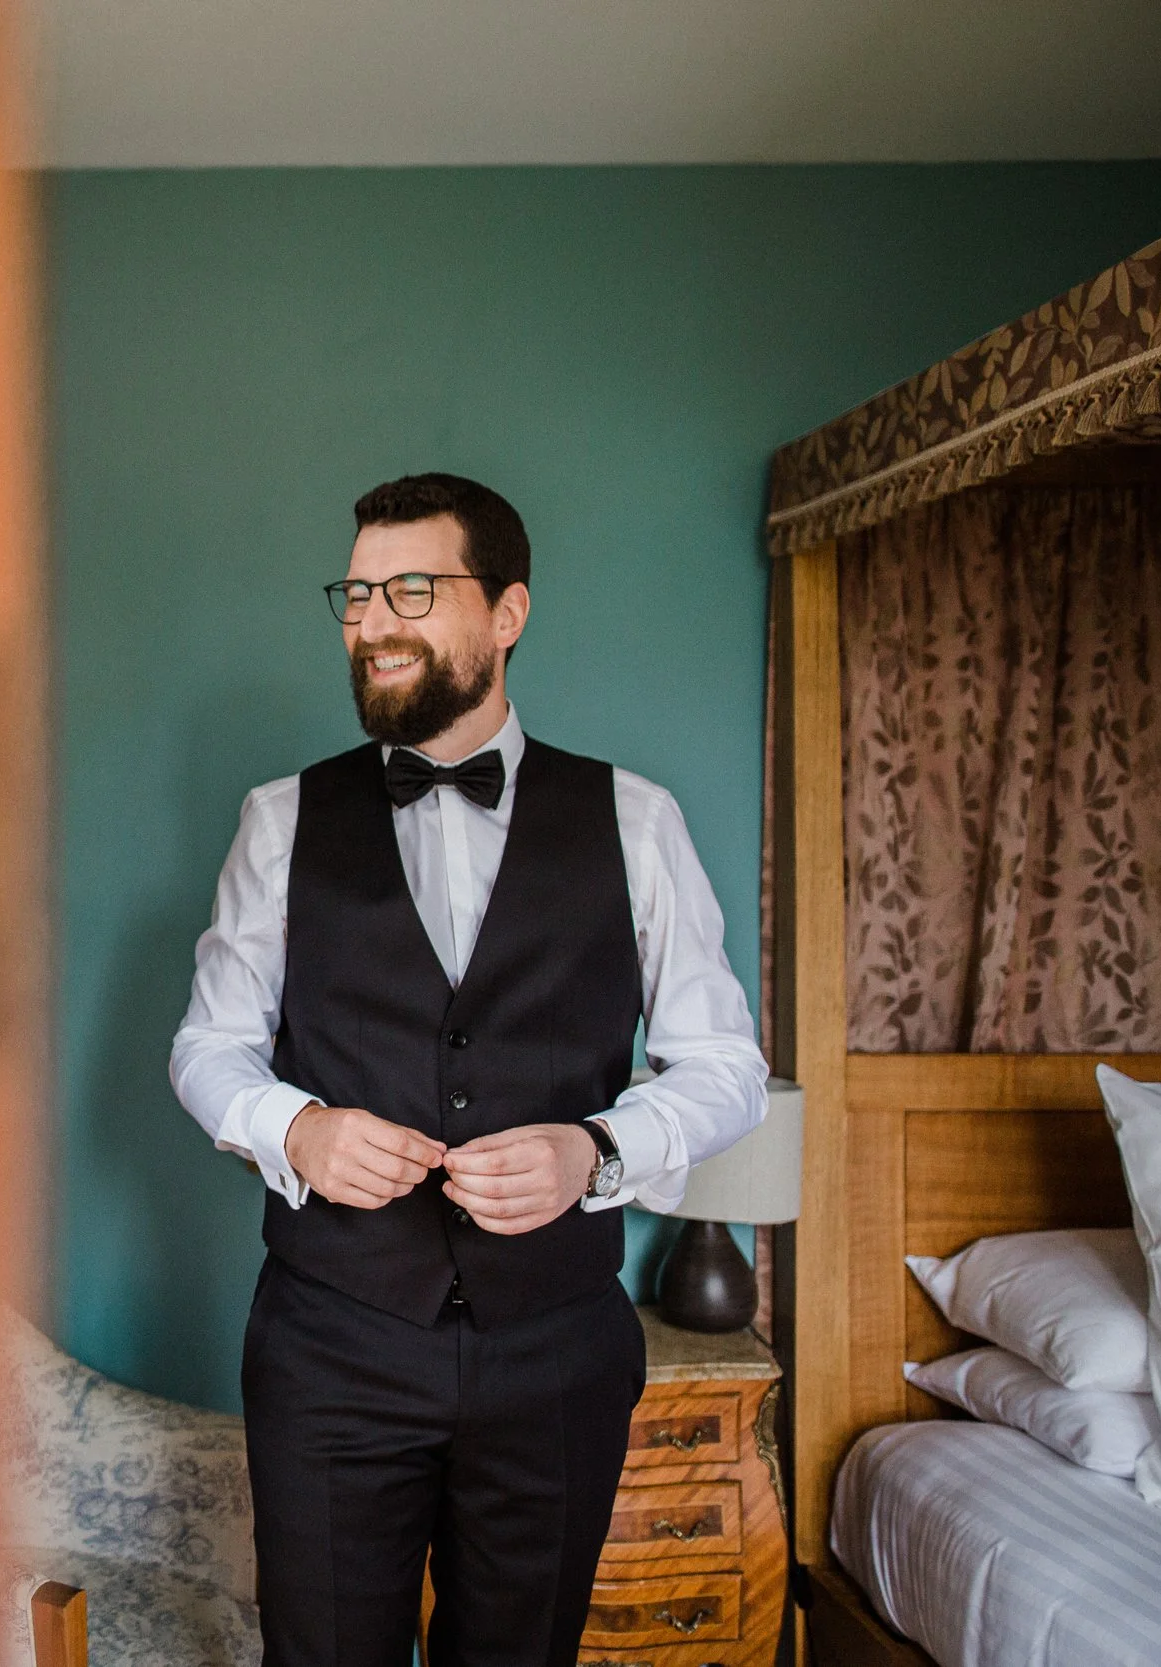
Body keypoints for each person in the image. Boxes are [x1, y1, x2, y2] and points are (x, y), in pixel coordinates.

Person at [169, 472, 767, 1667]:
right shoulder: (279, 819)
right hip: (330, 1346)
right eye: (354, 592)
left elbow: (726, 1066)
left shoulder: (636, 820)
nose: (369, 621)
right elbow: (209, 1045)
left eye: (409, 589)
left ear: (506, 613)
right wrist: (296, 1129)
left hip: (556, 1354)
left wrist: (593, 1149)